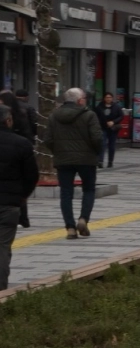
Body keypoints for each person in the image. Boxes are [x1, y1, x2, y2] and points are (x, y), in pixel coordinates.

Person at [44, 87, 101, 237]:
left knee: (66, 193)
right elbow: (97, 138)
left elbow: (48, 139)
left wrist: (58, 151)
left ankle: (70, 227)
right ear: (80, 101)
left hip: (63, 160)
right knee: (88, 190)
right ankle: (83, 219)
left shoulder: (54, 116)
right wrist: (96, 152)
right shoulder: (89, 115)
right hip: (86, 159)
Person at [0, 102, 38, 290]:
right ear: (8, 120)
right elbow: (32, 175)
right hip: (9, 204)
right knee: (3, 247)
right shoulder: (22, 144)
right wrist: (22, 196)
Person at [95, 91, 124, 168]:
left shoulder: (116, 107)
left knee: (112, 145)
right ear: (104, 98)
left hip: (113, 128)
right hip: (103, 127)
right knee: (102, 144)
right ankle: (100, 161)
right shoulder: (99, 106)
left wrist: (113, 122)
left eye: (110, 97)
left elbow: (121, 116)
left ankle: (110, 161)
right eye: (107, 97)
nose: (108, 99)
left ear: (112, 98)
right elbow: (96, 116)